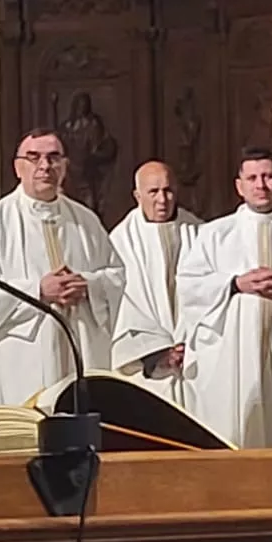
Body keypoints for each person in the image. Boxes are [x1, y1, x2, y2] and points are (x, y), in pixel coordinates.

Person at [0, 129, 123, 406]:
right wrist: (37, 290)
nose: (44, 166)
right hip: (21, 353)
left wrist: (88, 285)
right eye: (34, 157)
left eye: (53, 158)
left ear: (64, 167)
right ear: (18, 167)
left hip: (81, 347)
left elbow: (118, 276)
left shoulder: (86, 221)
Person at [178, 149, 272, 447]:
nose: (260, 185)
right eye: (252, 178)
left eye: (268, 176)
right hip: (233, 353)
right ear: (239, 185)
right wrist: (235, 284)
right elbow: (189, 287)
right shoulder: (216, 233)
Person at [107, 160, 201, 407]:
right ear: (137, 195)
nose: (162, 199)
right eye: (153, 192)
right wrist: (157, 350)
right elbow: (122, 305)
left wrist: (189, 344)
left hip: (195, 359)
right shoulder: (118, 243)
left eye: (168, 190)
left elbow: (209, 294)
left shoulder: (201, 233)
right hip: (146, 366)